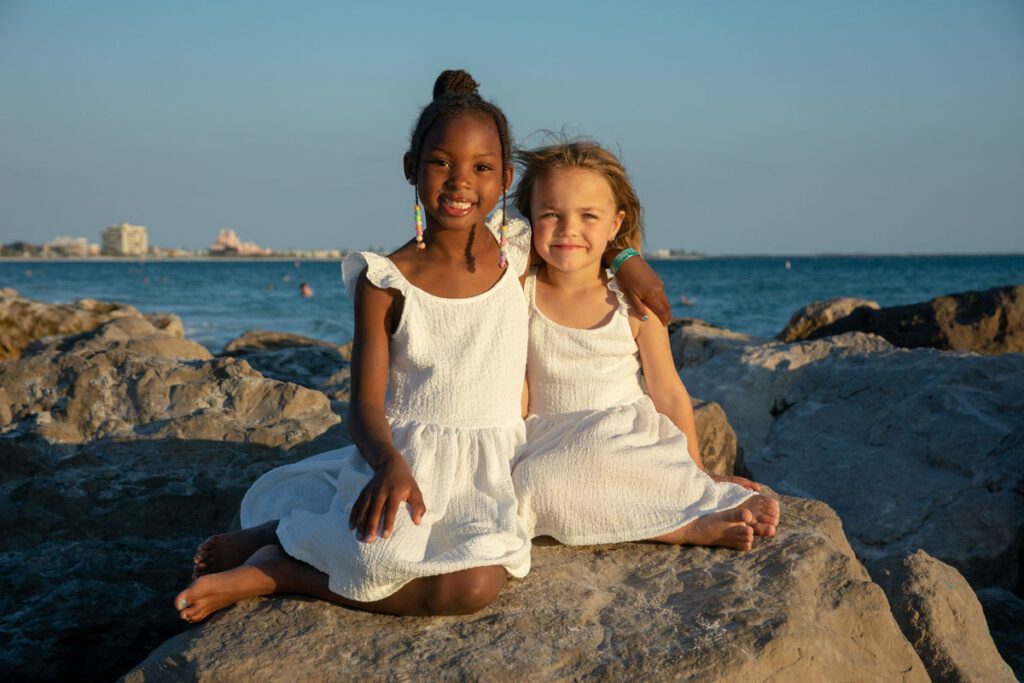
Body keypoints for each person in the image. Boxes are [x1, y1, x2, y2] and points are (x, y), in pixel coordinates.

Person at [175, 71, 672, 623]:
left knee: (476, 584)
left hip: (494, 463)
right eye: (441, 163)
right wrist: (388, 464)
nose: (461, 182)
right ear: (411, 168)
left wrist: (630, 263)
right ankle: (284, 555)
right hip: (411, 458)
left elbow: (580, 240)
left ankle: (285, 561)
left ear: (506, 178)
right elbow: (362, 405)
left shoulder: (518, 247)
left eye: (481, 168)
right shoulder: (385, 280)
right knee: (375, 560)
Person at [511, 140, 780, 550]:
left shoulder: (632, 299)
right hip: (552, 440)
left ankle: (688, 515)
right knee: (535, 484)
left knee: (634, 465)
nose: (568, 229)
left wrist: (696, 470)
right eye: (550, 214)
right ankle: (683, 526)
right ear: (528, 218)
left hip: (624, 437)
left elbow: (668, 391)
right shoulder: (519, 291)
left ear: (615, 225)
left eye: (588, 216)